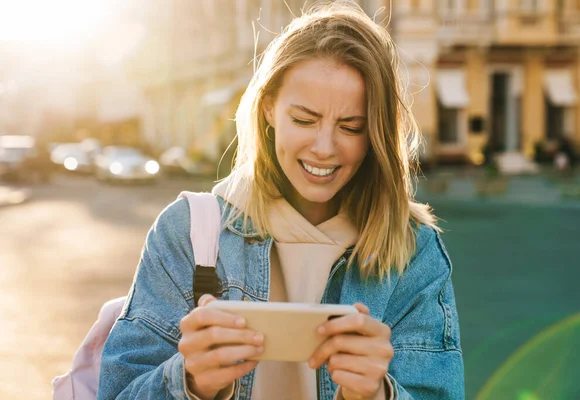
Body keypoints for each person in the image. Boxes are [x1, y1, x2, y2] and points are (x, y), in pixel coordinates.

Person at [98, 3, 464, 399]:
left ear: (376, 131)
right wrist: (190, 381)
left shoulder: (413, 252)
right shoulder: (187, 231)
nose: (324, 148)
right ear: (269, 108)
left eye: (351, 126)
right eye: (304, 120)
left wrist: (377, 394)